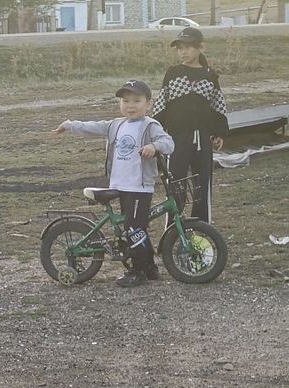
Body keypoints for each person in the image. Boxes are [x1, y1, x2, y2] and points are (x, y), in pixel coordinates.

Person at [54, 80, 175, 287]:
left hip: (139, 186)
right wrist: (69, 124)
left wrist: (154, 146)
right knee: (135, 227)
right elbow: (92, 127)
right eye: (125, 100)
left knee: (135, 227)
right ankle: (145, 267)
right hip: (119, 184)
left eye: (137, 101)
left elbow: (169, 143)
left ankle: (140, 269)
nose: (130, 105)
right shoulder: (116, 125)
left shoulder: (150, 125)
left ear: (149, 104)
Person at [152, 27, 229, 224]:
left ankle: (201, 227)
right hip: (176, 138)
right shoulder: (173, 73)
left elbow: (218, 105)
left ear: (200, 47)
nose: (183, 52)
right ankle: (173, 229)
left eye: (188, 47)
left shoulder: (210, 76)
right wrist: (156, 131)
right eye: (180, 48)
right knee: (176, 183)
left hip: (203, 139)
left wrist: (219, 132)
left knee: (202, 185)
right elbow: (162, 103)